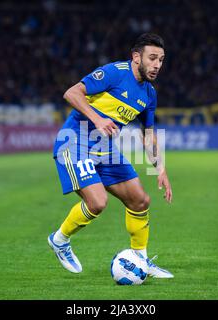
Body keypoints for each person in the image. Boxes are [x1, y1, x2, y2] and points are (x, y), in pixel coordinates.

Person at [48, 33, 174, 278]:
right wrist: (98, 118)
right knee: (97, 202)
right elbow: (72, 93)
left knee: (140, 200)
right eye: (152, 58)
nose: (157, 65)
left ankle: (141, 261)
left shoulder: (149, 94)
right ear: (136, 57)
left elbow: (148, 134)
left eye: (161, 59)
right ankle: (60, 240)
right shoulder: (115, 72)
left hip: (105, 150)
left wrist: (161, 170)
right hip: (75, 142)